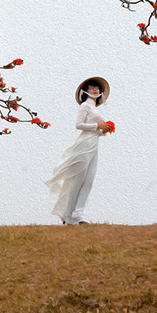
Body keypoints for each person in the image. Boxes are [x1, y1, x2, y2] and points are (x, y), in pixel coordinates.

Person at [45, 76, 112, 225]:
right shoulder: (85, 106)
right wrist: (97, 126)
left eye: (97, 88)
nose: (95, 90)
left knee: (89, 180)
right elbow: (79, 125)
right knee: (78, 179)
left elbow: (97, 131)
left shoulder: (94, 108)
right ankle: (69, 214)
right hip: (85, 143)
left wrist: (104, 130)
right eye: (91, 87)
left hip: (94, 144)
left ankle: (79, 214)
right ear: (85, 90)